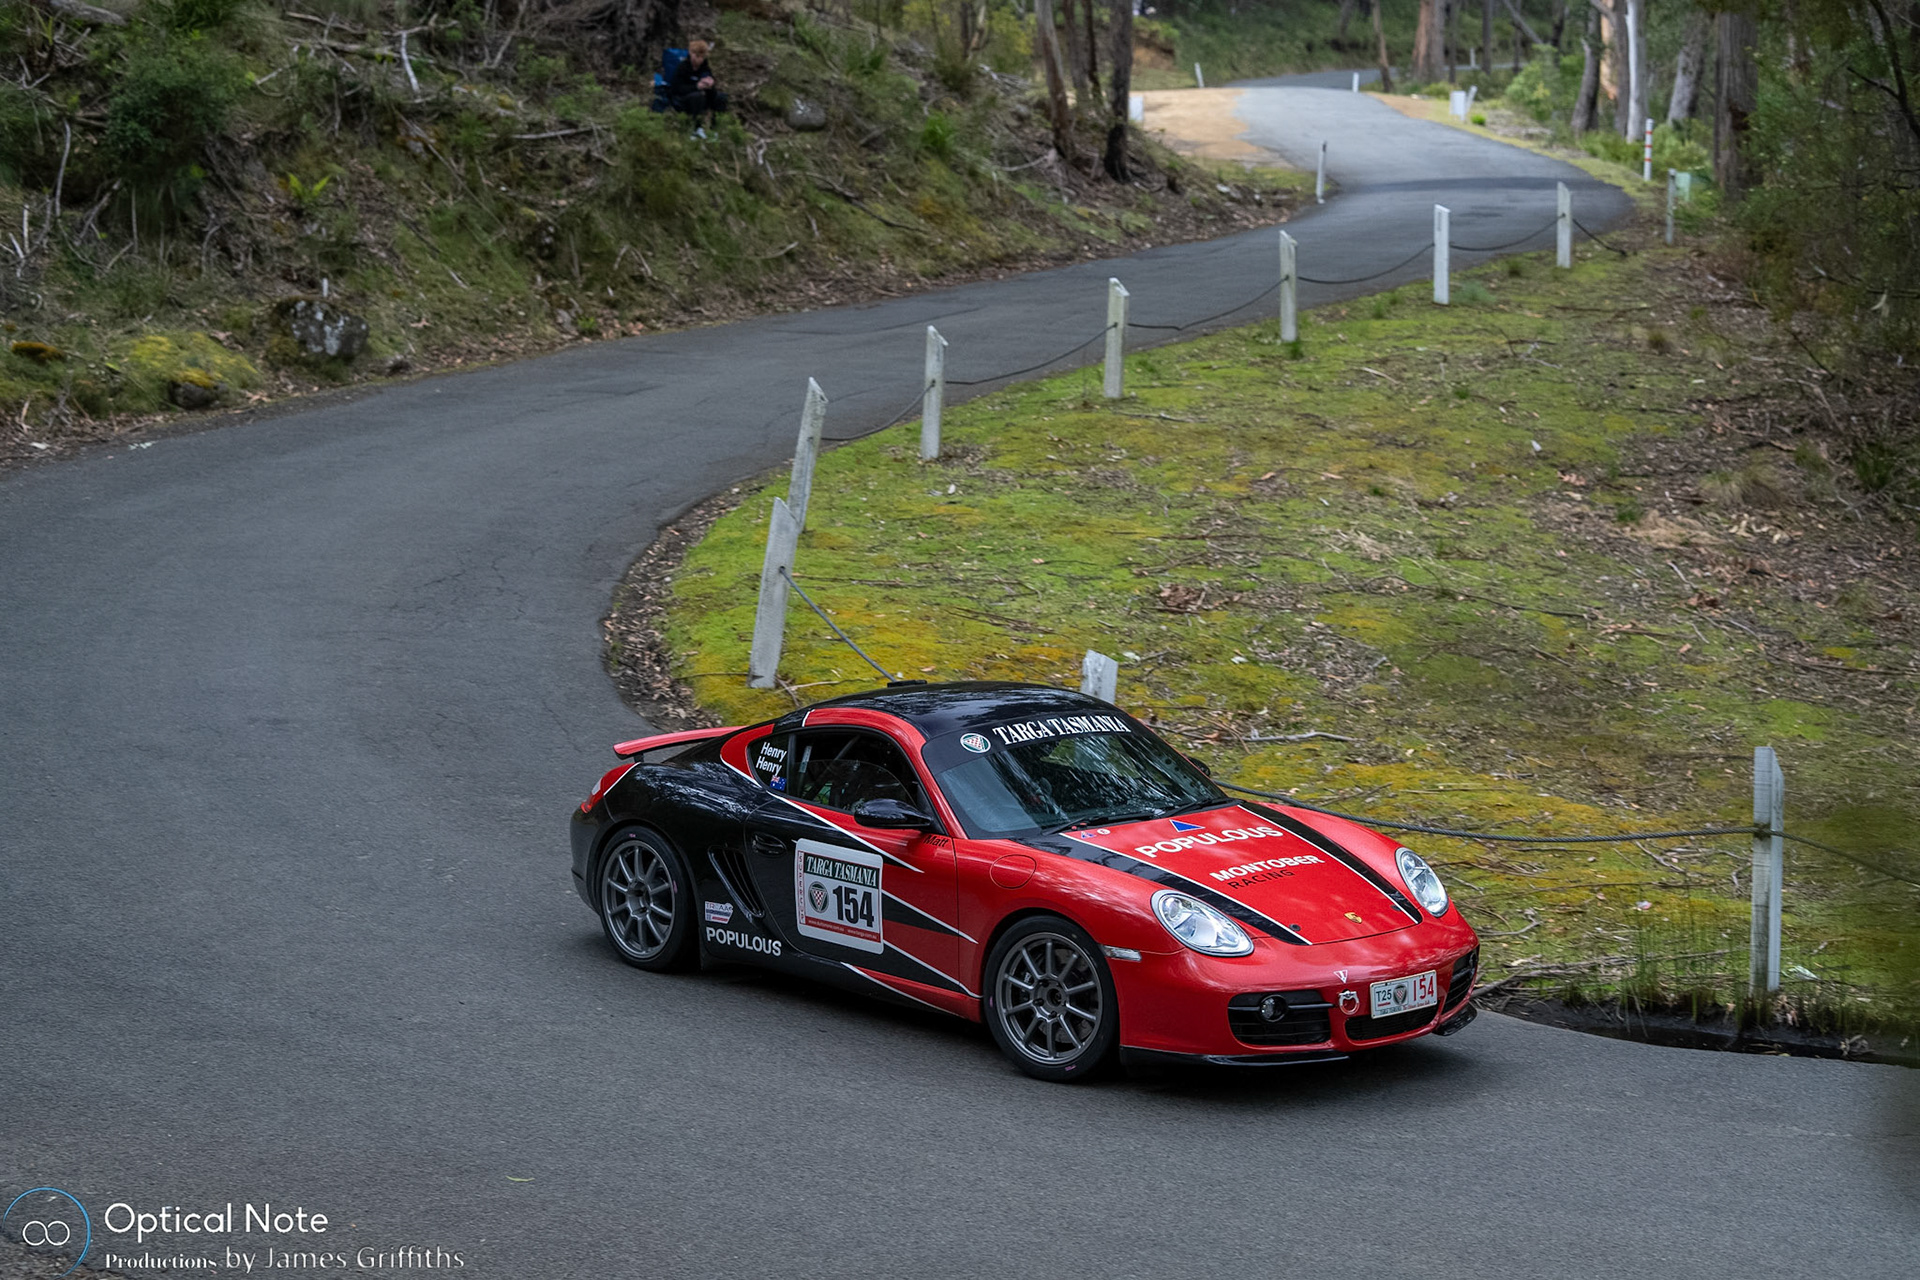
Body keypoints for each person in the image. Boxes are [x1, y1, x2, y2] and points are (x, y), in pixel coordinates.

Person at [668, 39, 727, 137]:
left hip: (702, 97)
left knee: (721, 97)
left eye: (702, 57)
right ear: (691, 54)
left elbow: (709, 77)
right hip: (684, 98)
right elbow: (677, 88)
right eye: (697, 56)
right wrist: (696, 86)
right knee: (697, 97)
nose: (699, 60)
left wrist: (710, 83)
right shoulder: (683, 67)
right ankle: (696, 129)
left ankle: (715, 129)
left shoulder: (704, 67)